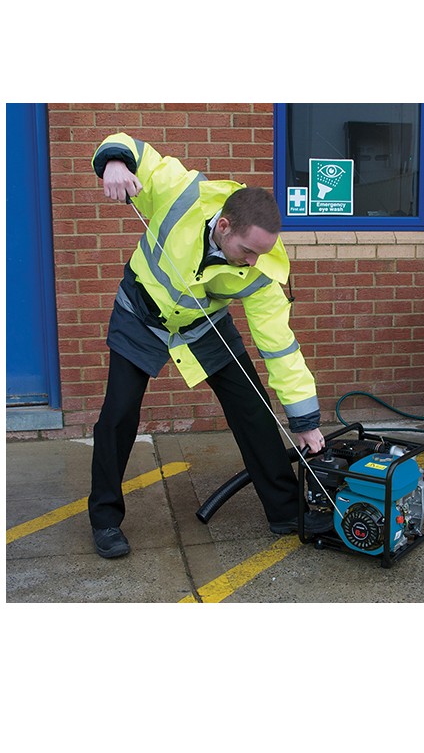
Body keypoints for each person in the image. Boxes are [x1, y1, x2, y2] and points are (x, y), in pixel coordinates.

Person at [88, 131, 330, 558]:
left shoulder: (262, 270)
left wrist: (305, 419)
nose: (253, 261)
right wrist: (114, 162)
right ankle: (104, 520)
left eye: (261, 254)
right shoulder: (183, 193)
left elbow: (280, 347)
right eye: (247, 250)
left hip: (204, 327)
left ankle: (286, 513)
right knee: (119, 413)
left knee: (253, 409)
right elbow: (134, 150)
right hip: (140, 314)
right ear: (223, 225)